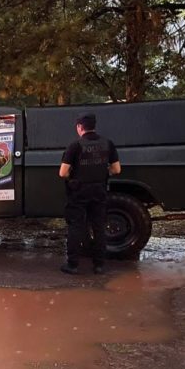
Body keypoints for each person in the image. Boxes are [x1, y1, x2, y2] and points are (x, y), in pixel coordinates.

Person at [58, 113, 121, 275]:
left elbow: (62, 173)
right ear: (94, 126)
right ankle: (99, 265)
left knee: (76, 226)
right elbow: (116, 169)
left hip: (79, 191)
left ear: (80, 127)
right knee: (99, 227)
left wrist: (74, 174)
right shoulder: (108, 143)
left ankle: (72, 265)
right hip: (99, 190)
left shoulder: (75, 145)